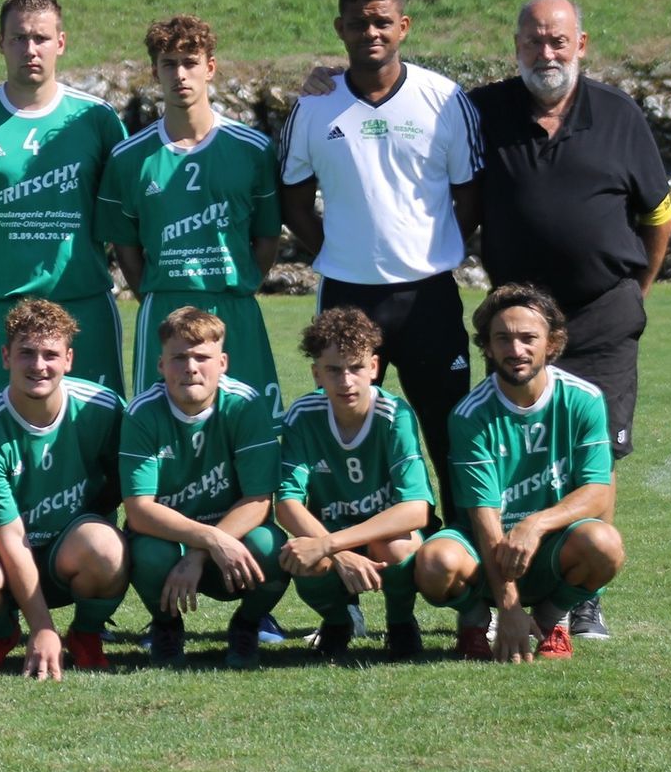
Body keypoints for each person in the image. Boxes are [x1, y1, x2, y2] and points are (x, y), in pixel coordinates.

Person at [467, 0, 671, 641]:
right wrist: (329, 81)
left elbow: (659, 214)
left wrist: (636, 290)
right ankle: (499, 589)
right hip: (516, 325)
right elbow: (398, 100)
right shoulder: (481, 111)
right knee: (510, 453)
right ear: (516, 46)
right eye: (534, 40)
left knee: (595, 458)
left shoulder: (618, 114)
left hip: (601, 317)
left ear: (581, 44)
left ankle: (581, 600)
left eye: (558, 40)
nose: (546, 52)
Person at [279, 0, 483, 498]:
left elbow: (471, 196)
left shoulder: (443, 98)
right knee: (346, 426)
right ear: (339, 29)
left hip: (428, 296)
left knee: (448, 427)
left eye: (382, 22)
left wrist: (435, 250)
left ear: (403, 26)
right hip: (348, 294)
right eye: (358, 23)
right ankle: (355, 535)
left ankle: (461, 537)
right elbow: (293, 202)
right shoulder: (313, 106)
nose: (371, 32)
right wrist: (335, 250)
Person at [414, 284, 625, 662]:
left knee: (605, 543)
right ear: (487, 346)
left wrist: (536, 524)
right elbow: (484, 519)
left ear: (552, 342)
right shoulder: (469, 415)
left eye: (528, 338)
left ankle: (552, 617)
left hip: (553, 549)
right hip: (486, 551)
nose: (516, 350)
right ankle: (476, 619)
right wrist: (508, 605)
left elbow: (597, 492)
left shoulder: (584, 399)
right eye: (503, 338)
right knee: (433, 563)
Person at [0, 0, 127, 415]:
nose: (30, 49)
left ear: (60, 42)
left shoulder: (96, 119)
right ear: (0, 42)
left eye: (41, 38)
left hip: (82, 301)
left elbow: (121, 212)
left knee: (99, 431)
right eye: (19, 38)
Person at [100, 14, 282, 410]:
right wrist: (156, 291)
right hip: (165, 307)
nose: (180, 74)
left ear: (210, 68)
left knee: (251, 426)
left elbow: (268, 235)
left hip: (233, 305)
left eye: (190, 62)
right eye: (169, 64)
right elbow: (125, 245)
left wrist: (240, 283)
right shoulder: (129, 158)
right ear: (155, 71)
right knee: (161, 428)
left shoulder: (253, 149)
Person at [0, 299, 127, 677]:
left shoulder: (104, 408)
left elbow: (129, 483)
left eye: (50, 354)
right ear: (6, 356)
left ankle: (86, 633)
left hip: (70, 547)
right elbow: (11, 537)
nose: (38, 365)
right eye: (26, 353)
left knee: (107, 548)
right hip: (1, 548)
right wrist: (41, 626)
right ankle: (1, 633)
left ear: (69, 359)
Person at [119, 307, 288, 670]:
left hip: (233, 538)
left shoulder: (245, 403)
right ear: (161, 365)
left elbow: (259, 499)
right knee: (147, 554)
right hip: (170, 542)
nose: (191, 367)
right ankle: (166, 627)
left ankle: (247, 624)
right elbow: (138, 511)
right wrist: (207, 540)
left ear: (222, 362)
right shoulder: (142, 412)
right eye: (179, 358)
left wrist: (201, 552)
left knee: (270, 546)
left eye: (202, 357)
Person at [273, 307, 433, 661]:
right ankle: (337, 622)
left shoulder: (394, 415)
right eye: (333, 370)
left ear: (374, 367)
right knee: (301, 556)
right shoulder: (302, 415)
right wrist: (335, 552)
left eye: (356, 367)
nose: (346, 381)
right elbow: (286, 503)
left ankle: (401, 623)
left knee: (399, 549)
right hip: (328, 530)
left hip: (381, 534)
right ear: (316, 373)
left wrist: (331, 545)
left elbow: (416, 510)